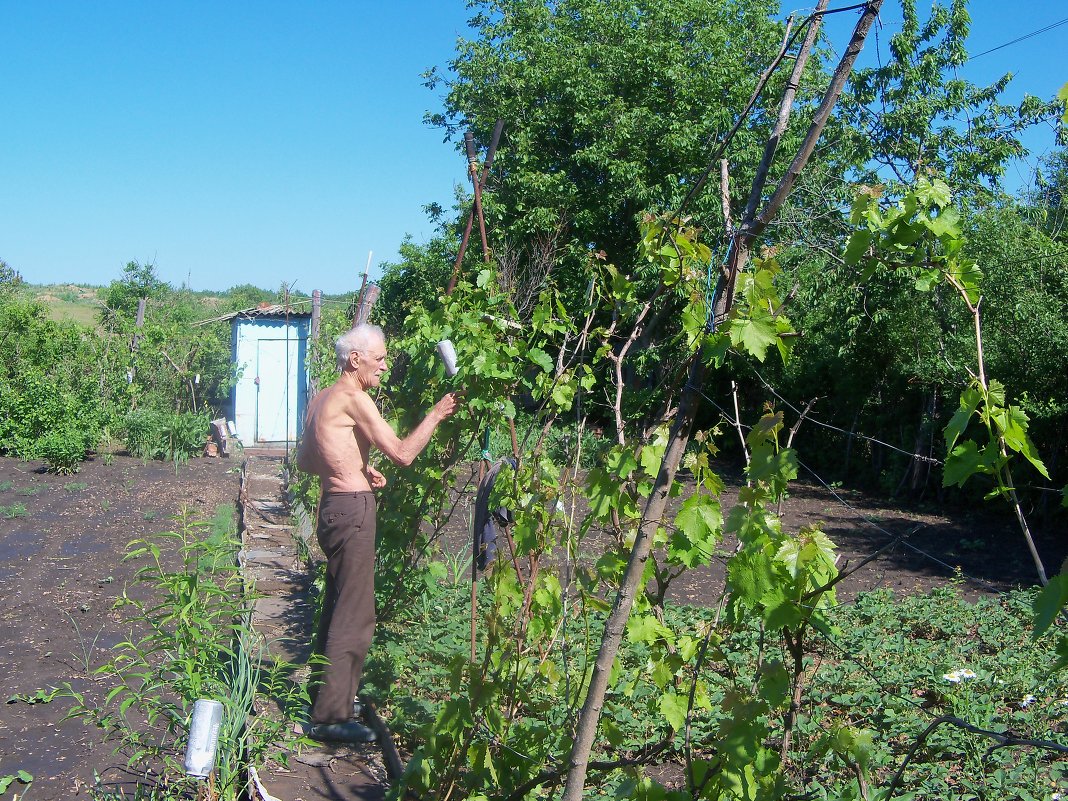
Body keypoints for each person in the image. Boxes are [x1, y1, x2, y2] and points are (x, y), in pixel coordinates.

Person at [296, 323, 460, 744]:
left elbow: (307, 462)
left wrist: (354, 466)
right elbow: (403, 454)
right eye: (380, 358)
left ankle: (323, 697)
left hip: (332, 508)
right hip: (353, 513)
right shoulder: (355, 397)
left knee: (336, 604)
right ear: (356, 360)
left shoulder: (321, 400)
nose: (385, 366)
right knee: (356, 613)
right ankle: (332, 718)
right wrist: (438, 413)